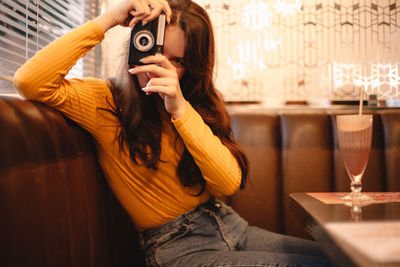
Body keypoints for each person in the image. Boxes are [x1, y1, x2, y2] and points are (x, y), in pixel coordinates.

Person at [13, 0, 333, 266]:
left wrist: (179, 108)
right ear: (138, 44)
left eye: (178, 61)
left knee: (344, 257)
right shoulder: (106, 101)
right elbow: (30, 80)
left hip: (227, 222)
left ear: (192, 68)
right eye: (155, 50)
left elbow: (227, 181)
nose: (161, 67)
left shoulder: (195, 105)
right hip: (177, 248)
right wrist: (110, 18)